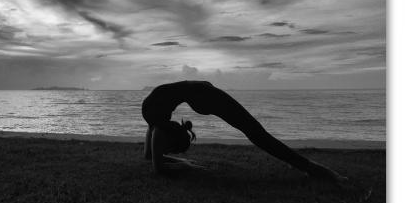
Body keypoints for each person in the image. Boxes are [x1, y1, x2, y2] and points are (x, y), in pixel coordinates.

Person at [142, 80, 346, 182]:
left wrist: (187, 165)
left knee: (256, 133)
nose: (166, 152)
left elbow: (156, 166)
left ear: (170, 139)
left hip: (203, 94)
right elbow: (150, 156)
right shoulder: (156, 121)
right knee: (255, 132)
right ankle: (307, 166)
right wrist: (182, 161)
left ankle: (311, 167)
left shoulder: (158, 127)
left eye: (171, 151)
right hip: (199, 92)